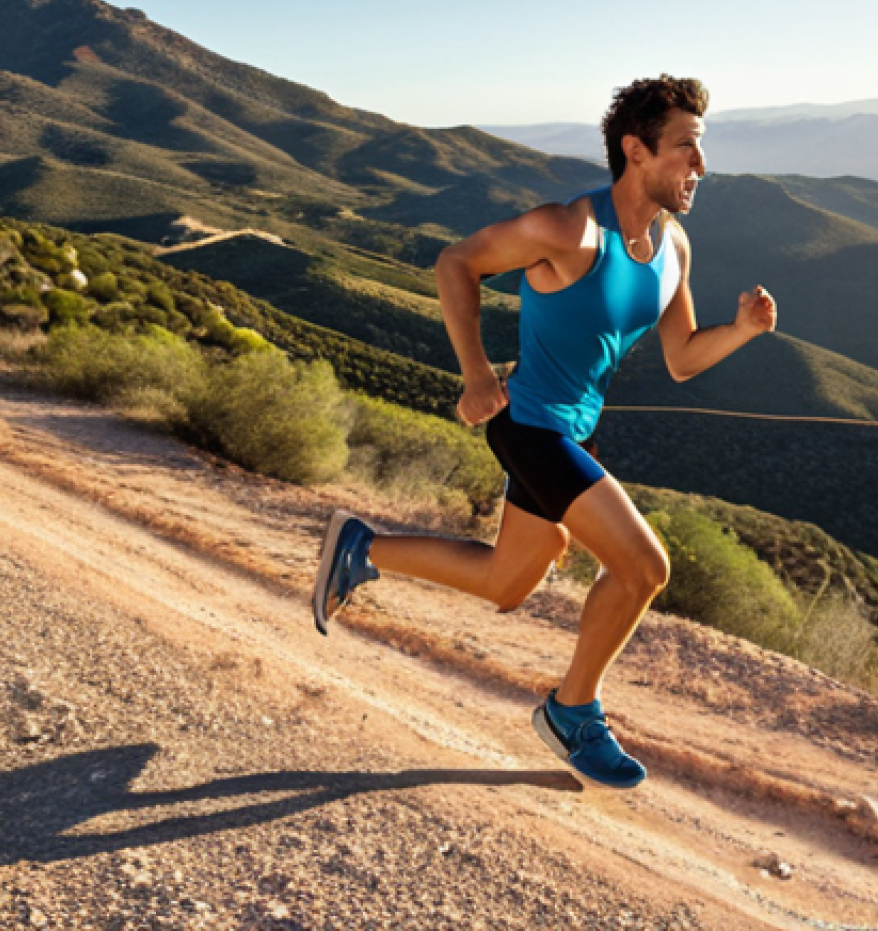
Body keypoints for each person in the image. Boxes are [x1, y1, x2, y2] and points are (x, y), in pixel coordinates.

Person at [313, 75, 777, 789]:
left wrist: (743, 331)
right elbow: (456, 262)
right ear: (636, 150)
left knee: (508, 582)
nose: (701, 167)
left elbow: (683, 359)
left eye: (700, 150)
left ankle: (362, 549)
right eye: (686, 148)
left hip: (575, 434)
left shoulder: (673, 246)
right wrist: (474, 375)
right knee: (644, 568)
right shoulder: (568, 229)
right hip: (528, 425)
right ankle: (572, 711)